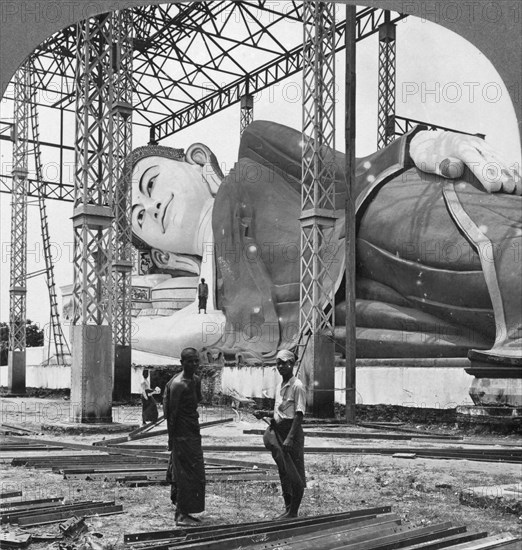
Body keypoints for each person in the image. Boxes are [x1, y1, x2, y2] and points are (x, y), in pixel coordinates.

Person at [129, 121, 521, 368]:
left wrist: (417, 145)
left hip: (367, 227)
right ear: (161, 253)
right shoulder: (209, 293)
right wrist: (191, 330)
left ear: (197, 160)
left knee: (478, 247)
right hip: (350, 313)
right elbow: (223, 330)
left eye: (151, 183)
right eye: (140, 217)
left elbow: (346, 170)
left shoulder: (256, 151)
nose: (152, 206)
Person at [254, 350, 306, 518]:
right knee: (284, 472)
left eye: (286, 362)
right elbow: (280, 412)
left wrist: (290, 438)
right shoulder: (279, 386)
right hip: (279, 431)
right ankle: (288, 508)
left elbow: (299, 414)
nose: (282, 366)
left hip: (292, 434)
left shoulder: (297, 385)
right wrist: (264, 413)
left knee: (294, 473)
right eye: (279, 363)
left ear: (292, 364)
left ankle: (294, 512)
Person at [163, 347, 205, 526]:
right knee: (184, 474)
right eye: (190, 361)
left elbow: (196, 403)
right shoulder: (178, 384)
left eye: (196, 361)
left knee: (195, 473)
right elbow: (171, 415)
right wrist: (172, 441)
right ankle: (181, 514)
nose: (194, 364)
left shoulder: (195, 381)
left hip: (193, 432)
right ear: (182, 363)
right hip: (181, 435)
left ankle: (186, 509)